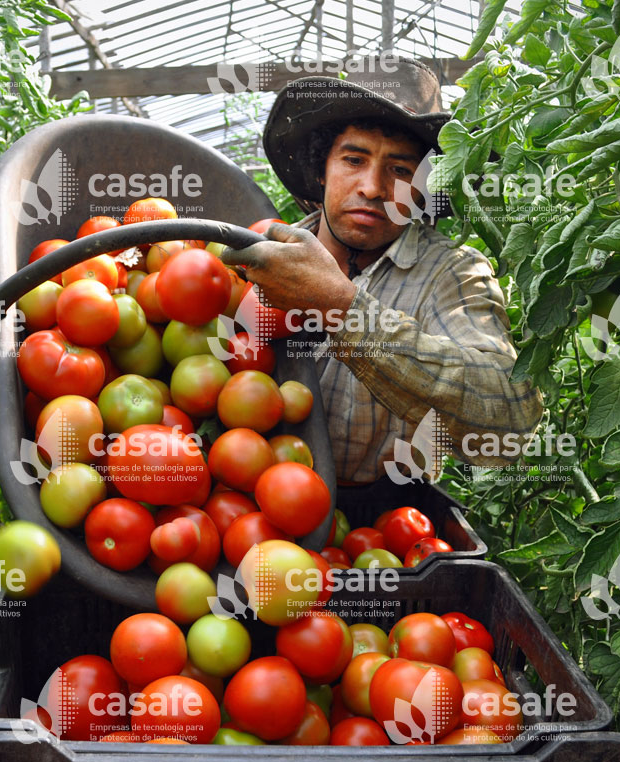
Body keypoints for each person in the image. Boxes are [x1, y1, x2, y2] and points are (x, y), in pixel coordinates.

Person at [223, 55, 542, 485]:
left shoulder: (450, 274)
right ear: (322, 170)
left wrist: (340, 307)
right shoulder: (257, 255)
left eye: (400, 170)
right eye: (353, 160)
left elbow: (509, 419)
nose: (372, 187)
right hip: (238, 512)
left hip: (387, 532)